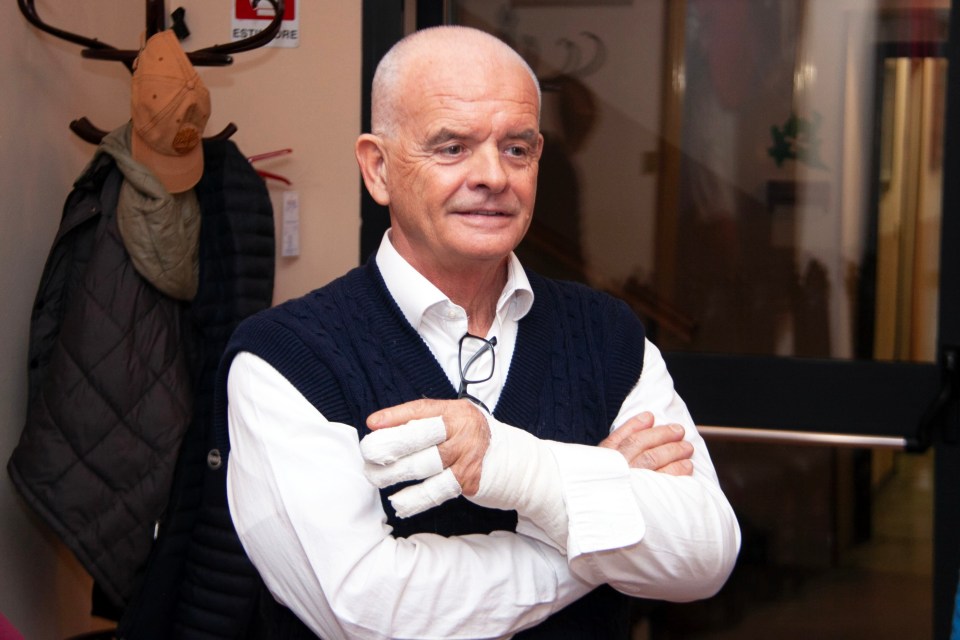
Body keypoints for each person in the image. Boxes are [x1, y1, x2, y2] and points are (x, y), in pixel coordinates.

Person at [221, 25, 740, 639]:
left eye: (516, 149)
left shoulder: (607, 336)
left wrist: (519, 469)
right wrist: (592, 525)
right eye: (451, 147)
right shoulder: (286, 360)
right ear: (378, 168)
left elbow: (705, 553)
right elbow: (367, 609)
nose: (494, 175)